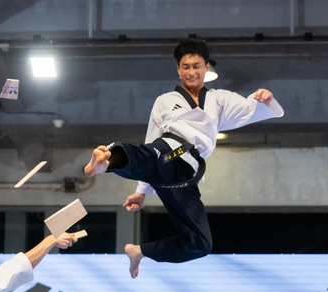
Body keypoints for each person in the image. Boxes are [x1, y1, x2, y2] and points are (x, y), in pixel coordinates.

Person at [83, 37, 284, 278]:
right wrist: (142, 191)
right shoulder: (165, 101)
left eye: (196, 66)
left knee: (200, 244)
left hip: (186, 177)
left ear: (207, 67)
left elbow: (251, 109)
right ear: (178, 69)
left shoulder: (220, 99)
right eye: (186, 67)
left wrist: (266, 99)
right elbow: (151, 139)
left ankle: (139, 251)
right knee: (146, 155)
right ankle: (105, 161)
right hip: (168, 151)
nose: (191, 72)